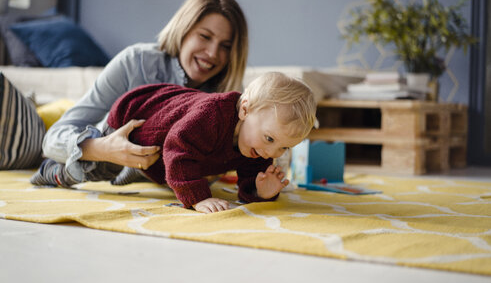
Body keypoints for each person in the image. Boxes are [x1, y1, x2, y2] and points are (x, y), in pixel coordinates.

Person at [41, 0, 249, 186]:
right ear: (183, 29)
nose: (213, 53)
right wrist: (102, 149)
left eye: (225, 46)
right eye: (204, 36)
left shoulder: (228, 97)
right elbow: (52, 139)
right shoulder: (134, 63)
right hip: (89, 154)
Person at [31, 72, 317, 213]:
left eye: (283, 147)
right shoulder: (212, 115)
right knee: (99, 170)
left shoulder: (258, 144)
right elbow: (177, 148)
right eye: (270, 139)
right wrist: (199, 198)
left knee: (153, 168)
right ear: (244, 109)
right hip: (134, 123)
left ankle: (137, 174)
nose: (271, 152)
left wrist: (260, 190)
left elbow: (247, 186)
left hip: (159, 153)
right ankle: (54, 171)